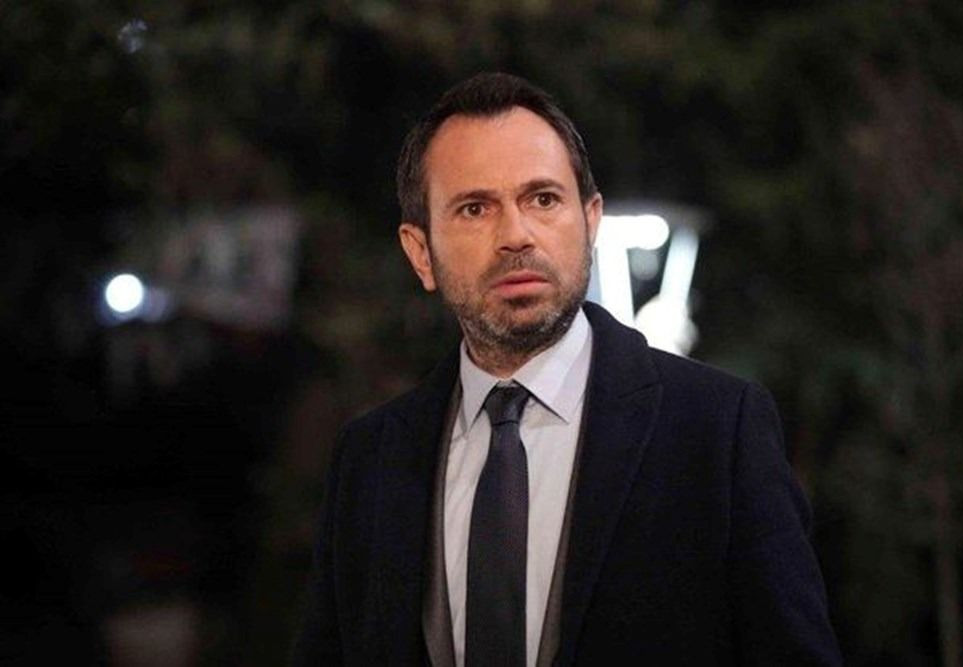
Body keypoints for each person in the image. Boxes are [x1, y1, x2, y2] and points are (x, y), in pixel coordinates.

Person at [292, 72, 841, 666]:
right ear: (421, 252)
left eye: (543, 199)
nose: (516, 235)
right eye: (475, 208)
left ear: (590, 220)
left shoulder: (717, 430)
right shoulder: (371, 459)